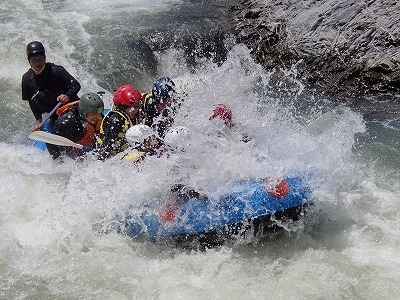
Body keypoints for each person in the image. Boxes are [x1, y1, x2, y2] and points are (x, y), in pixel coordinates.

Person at [22, 41, 81, 131]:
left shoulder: (57, 71)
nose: (38, 62)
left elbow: (76, 85)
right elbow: (32, 101)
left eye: (40, 58)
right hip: (55, 115)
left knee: (66, 124)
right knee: (59, 126)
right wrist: (38, 120)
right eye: (34, 60)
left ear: (45, 58)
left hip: (70, 109)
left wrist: (67, 95)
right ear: (29, 61)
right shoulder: (26, 79)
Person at [46, 92, 104, 160]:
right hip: (72, 153)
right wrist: (60, 161)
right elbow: (51, 143)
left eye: (98, 113)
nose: (96, 117)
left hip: (89, 150)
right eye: (93, 114)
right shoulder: (66, 122)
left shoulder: (99, 117)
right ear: (83, 112)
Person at [96, 84, 144, 161]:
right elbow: (108, 147)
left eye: (137, 106)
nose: (136, 109)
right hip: (113, 157)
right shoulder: (116, 120)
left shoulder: (134, 116)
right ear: (123, 106)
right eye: (133, 106)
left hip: (124, 152)